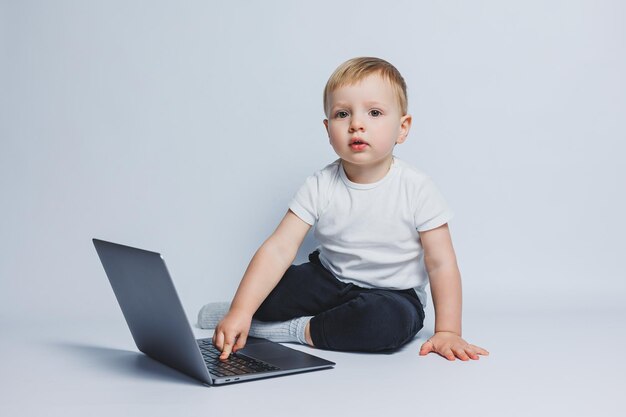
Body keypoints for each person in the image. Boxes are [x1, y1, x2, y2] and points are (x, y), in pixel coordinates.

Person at [198, 57, 489, 362]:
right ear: (328, 129)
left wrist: (448, 331)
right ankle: (236, 315)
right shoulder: (321, 183)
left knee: (383, 324)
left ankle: (292, 330)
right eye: (342, 114)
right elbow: (279, 248)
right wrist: (242, 309)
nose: (356, 124)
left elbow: (441, 263)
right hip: (329, 278)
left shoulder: (416, 187)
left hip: (391, 294)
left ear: (402, 128)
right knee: (267, 290)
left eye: (374, 112)